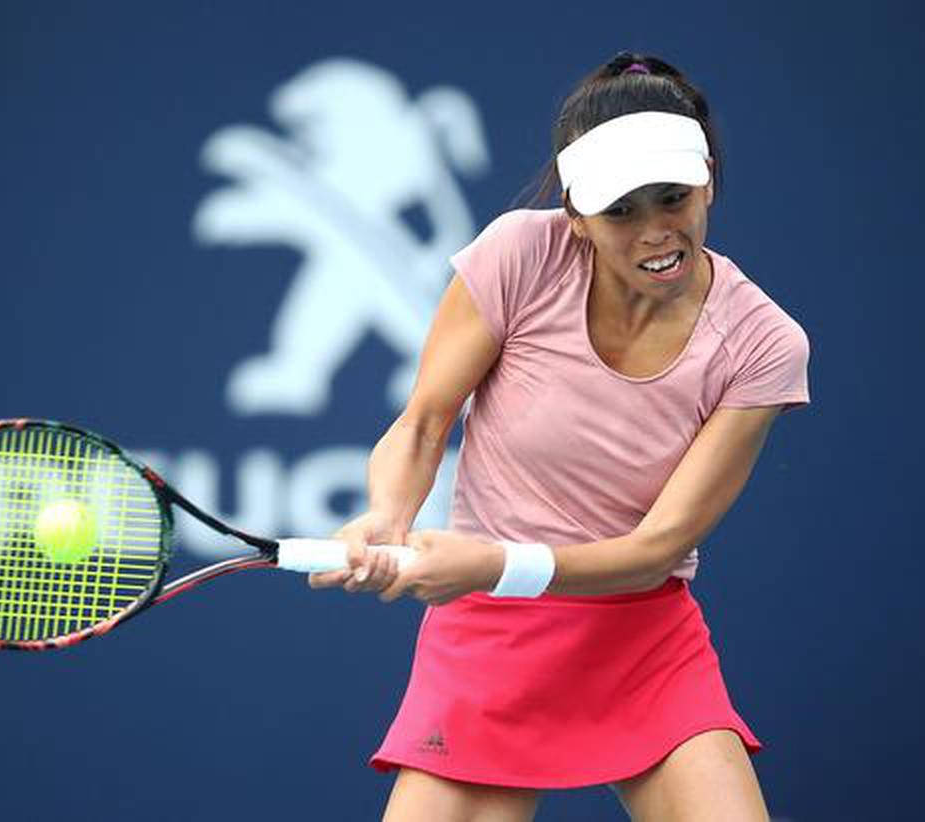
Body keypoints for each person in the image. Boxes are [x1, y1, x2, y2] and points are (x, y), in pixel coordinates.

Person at [310, 52, 810, 822]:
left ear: (707, 178)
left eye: (672, 197)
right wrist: (387, 517)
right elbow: (422, 425)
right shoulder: (519, 254)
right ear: (576, 213)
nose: (655, 233)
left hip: (640, 635)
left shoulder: (763, 343)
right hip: (492, 639)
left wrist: (491, 562)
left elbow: (656, 546)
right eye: (620, 211)